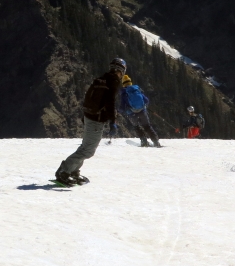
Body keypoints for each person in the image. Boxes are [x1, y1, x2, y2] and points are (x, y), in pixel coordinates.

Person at [54, 58, 127, 186]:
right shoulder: (113, 82)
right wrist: (113, 121)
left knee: (85, 146)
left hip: (89, 116)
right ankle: (64, 171)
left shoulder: (102, 78)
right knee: (88, 150)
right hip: (96, 120)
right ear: (121, 71)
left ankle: (73, 171)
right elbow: (110, 103)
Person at [119, 75, 161, 148]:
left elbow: (122, 107)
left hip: (131, 114)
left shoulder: (124, 93)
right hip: (142, 111)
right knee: (147, 126)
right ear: (130, 82)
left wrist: (119, 110)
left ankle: (144, 141)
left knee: (137, 127)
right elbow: (146, 100)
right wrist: (144, 106)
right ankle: (156, 142)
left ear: (123, 84)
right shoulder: (137, 89)